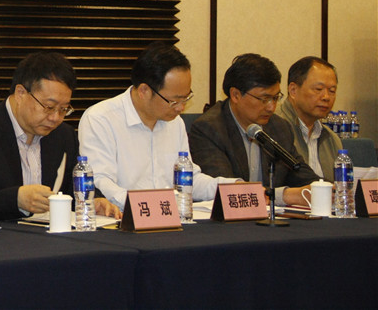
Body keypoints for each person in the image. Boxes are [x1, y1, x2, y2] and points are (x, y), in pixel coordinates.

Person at [0, 51, 120, 220]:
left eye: (63, 109)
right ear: (21, 93)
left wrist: (93, 200)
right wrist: (16, 200)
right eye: (49, 107)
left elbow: (71, 188)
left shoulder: (63, 135)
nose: (55, 118)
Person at [78, 43, 237, 210]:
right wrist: (150, 205)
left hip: (169, 216)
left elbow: (189, 180)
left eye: (186, 98)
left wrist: (232, 188)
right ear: (144, 91)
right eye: (174, 101)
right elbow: (100, 183)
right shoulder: (100, 119)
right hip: (125, 219)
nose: (181, 108)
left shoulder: (175, 122)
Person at [189, 53, 317, 206]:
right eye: (264, 99)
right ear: (236, 95)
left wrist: (326, 189)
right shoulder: (209, 129)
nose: (271, 107)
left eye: (275, 98)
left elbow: (302, 175)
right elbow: (228, 191)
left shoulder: (279, 127)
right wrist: (283, 196)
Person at [276, 56, 341, 180]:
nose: (326, 97)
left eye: (332, 91)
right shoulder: (272, 127)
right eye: (318, 89)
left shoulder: (332, 139)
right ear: (293, 90)